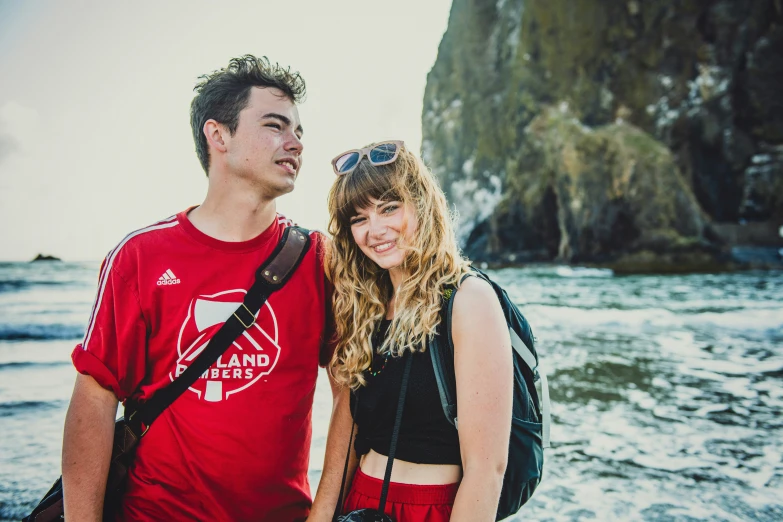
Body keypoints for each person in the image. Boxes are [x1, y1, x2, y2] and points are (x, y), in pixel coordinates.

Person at [62, 55, 337, 522]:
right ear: (218, 136)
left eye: (300, 132)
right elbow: (95, 397)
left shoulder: (319, 259)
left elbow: (351, 386)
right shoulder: (140, 257)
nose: (296, 144)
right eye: (276, 126)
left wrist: (323, 514)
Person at [308, 141, 513, 522]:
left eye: (389, 208)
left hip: (432, 509)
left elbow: (487, 472)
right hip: (358, 505)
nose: (375, 230)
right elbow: (349, 429)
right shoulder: (365, 303)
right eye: (358, 218)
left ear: (421, 204)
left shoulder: (468, 300)